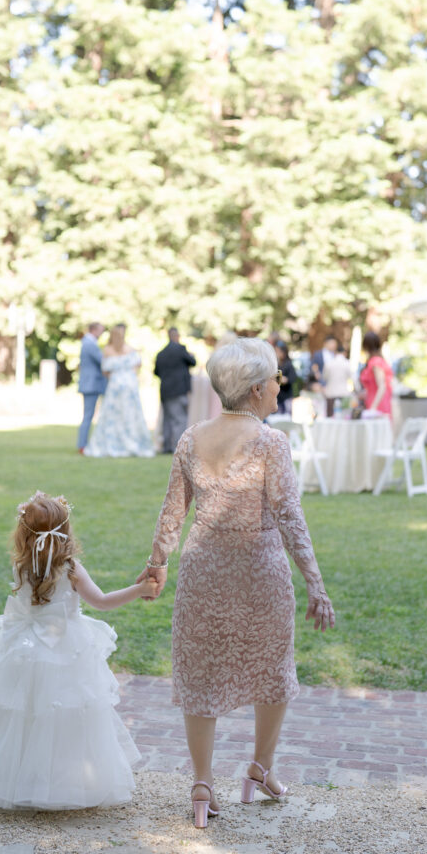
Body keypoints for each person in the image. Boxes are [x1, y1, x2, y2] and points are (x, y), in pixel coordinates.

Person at [136, 338, 335, 828]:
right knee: (273, 669)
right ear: (253, 389)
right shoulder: (270, 441)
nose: (279, 384)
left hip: (204, 570)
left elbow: (171, 513)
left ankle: (202, 782)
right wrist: (316, 583)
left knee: (201, 675)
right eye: (273, 378)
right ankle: (260, 768)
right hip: (260, 570)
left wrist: (157, 563)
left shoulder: (190, 438)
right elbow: (290, 516)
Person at [0, 491, 159, 810]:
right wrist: (141, 589)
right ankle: (62, 782)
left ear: (23, 534)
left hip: (21, 648)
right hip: (65, 650)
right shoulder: (71, 567)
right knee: (62, 713)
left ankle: (10, 779)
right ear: (67, 532)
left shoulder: (22, 564)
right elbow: (102, 602)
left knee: (18, 714)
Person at [84, 324, 154, 457]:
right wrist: (128, 375)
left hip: (115, 385)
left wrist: (116, 377)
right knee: (130, 414)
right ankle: (131, 443)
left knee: (112, 415)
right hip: (129, 385)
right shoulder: (130, 349)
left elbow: (105, 371)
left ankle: (114, 444)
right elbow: (138, 365)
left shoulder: (107, 350)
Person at [154, 328, 197, 453]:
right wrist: (191, 356)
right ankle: (178, 446)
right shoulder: (181, 350)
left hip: (164, 390)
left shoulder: (160, 353)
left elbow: (156, 372)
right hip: (179, 389)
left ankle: (166, 446)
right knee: (179, 419)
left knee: (167, 419)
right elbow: (193, 362)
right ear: (177, 336)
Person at [77, 321, 106, 454]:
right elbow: (103, 361)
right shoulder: (90, 343)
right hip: (91, 385)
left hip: (91, 384)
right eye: (101, 330)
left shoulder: (87, 342)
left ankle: (84, 444)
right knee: (88, 416)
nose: (102, 333)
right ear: (94, 330)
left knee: (88, 416)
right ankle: (82, 445)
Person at [359, 331, 393, 416]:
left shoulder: (375, 362)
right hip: (373, 401)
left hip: (377, 404)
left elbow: (382, 386)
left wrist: (373, 409)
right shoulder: (376, 361)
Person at [323, 341, 352, 416]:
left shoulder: (329, 363)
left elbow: (325, 377)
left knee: (330, 417)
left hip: (330, 393)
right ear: (344, 353)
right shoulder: (347, 363)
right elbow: (352, 378)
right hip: (343, 393)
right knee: (344, 417)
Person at [275, 340, 297, 414]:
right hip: (278, 396)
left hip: (286, 395)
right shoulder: (276, 364)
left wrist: (284, 379)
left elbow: (293, 378)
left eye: (278, 351)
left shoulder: (288, 364)